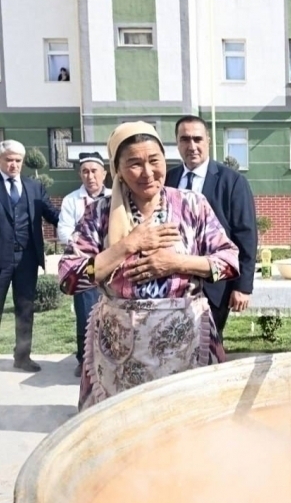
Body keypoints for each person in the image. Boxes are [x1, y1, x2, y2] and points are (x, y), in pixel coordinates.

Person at [58, 122, 240, 411]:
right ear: (117, 168)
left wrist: (176, 262)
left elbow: (229, 262)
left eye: (154, 161)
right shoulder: (100, 214)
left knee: (188, 427)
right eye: (134, 164)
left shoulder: (192, 205)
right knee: (122, 432)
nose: (147, 172)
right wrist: (127, 244)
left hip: (186, 341)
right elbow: (69, 278)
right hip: (118, 350)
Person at [166, 116, 257, 340]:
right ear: (177, 143)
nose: (192, 146)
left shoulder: (232, 181)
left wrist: (243, 286)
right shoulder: (168, 179)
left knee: (206, 350)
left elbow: (246, 235)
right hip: (173, 287)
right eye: (185, 139)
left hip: (213, 288)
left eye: (198, 139)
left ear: (208, 140)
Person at [0, 140, 60, 372]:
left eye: (17, 160)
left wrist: (78, 224)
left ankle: (22, 356)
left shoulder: (34, 187)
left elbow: (51, 213)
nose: (13, 164)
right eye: (9, 160)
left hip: (27, 258)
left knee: (25, 308)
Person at [57, 152, 111, 377]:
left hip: (111, 266)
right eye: (85, 172)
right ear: (80, 174)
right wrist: (78, 243)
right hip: (86, 266)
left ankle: (109, 356)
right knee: (86, 313)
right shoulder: (72, 200)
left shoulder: (114, 197)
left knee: (111, 312)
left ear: (104, 173)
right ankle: (84, 358)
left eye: (94, 171)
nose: (90, 176)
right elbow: (63, 230)